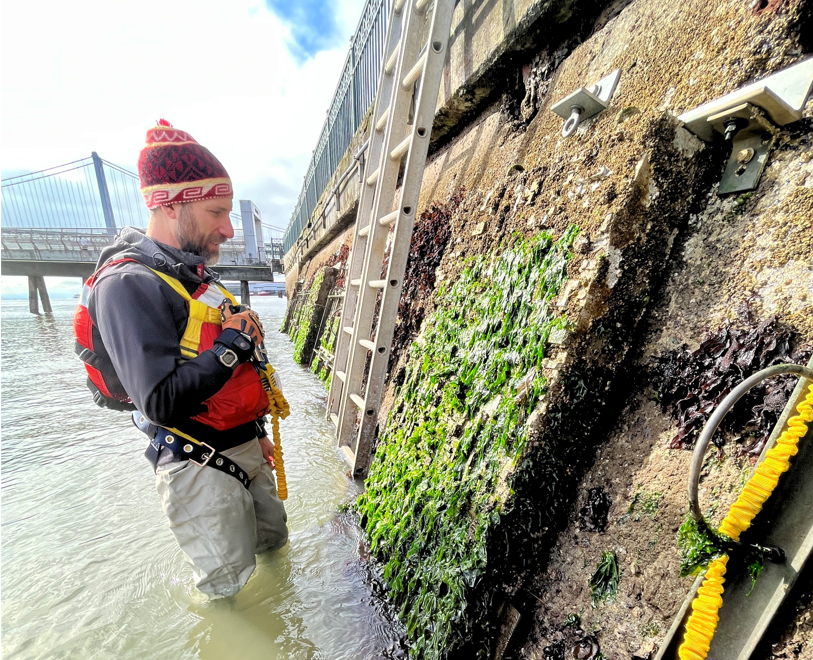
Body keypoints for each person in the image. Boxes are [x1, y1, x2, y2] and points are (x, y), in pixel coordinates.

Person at [74, 119, 289, 598]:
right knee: (226, 594)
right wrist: (232, 348)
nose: (229, 229)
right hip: (197, 464)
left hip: (243, 447)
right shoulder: (127, 285)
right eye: (216, 211)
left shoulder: (194, 276)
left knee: (276, 548)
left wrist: (253, 434)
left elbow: (220, 369)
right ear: (169, 204)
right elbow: (159, 400)